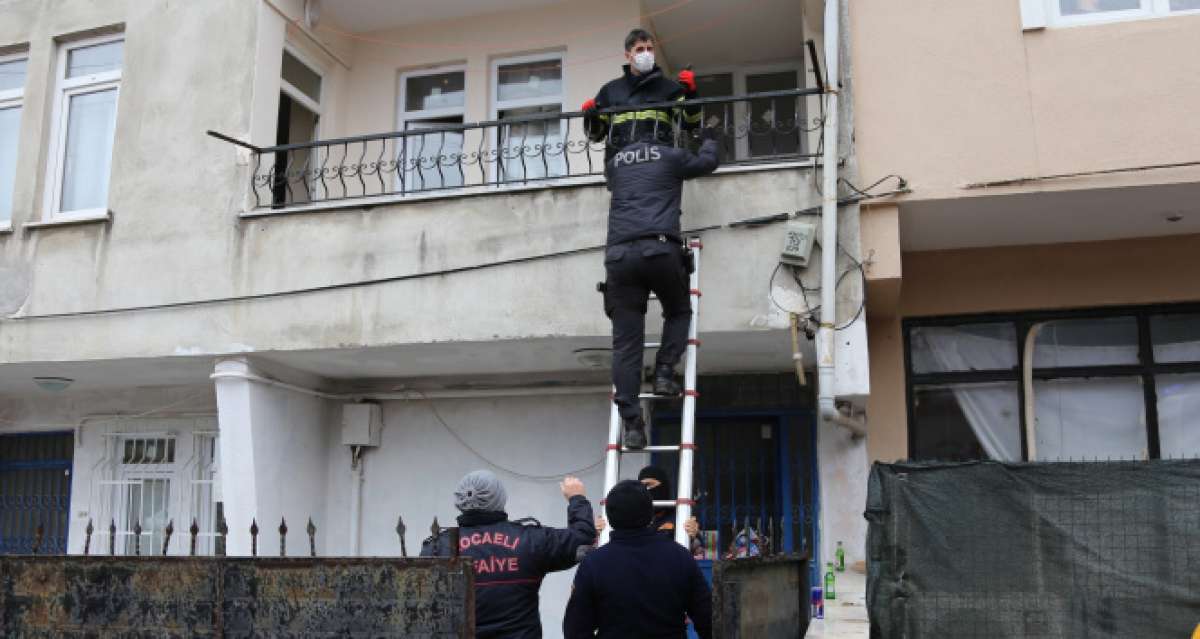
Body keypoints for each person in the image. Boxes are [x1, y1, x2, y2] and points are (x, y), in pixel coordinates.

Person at [600, 123, 719, 449]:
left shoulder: (617, 163)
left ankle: (632, 424)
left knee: (626, 345)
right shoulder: (671, 156)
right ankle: (665, 373)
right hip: (660, 251)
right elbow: (707, 164)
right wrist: (708, 138)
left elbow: (611, 178)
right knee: (679, 310)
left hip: (620, 257)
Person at [422, 470, 597, 639]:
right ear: (500, 499)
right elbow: (582, 540)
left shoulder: (436, 548)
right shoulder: (530, 541)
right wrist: (577, 498)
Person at [563, 479, 712, 639]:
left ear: (610, 517)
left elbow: (575, 630)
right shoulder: (681, 557)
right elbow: (709, 621)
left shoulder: (593, 564)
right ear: (650, 513)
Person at [582, 28, 703, 158]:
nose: (646, 53)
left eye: (649, 49)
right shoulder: (610, 90)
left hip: (658, 164)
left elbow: (690, 124)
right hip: (621, 166)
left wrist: (691, 94)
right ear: (628, 56)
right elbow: (595, 135)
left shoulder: (669, 88)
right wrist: (591, 117)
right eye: (640, 49)